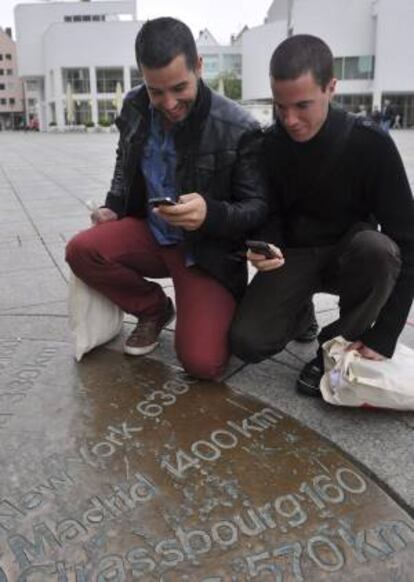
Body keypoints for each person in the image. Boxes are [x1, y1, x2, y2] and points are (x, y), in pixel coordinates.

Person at [66, 17, 267, 379]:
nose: (169, 103)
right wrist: (114, 205)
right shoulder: (135, 105)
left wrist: (211, 214)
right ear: (143, 77)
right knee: (81, 250)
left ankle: (220, 306)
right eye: (156, 90)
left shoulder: (240, 127)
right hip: (150, 232)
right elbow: (125, 159)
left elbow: (257, 209)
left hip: (204, 250)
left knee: (203, 364)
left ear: (199, 67)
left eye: (179, 88)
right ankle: (154, 309)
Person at [231, 34, 414, 396]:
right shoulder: (268, 144)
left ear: (331, 87)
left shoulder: (372, 145)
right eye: (279, 106)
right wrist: (263, 245)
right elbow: (265, 212)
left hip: (352, 254)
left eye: (302, 105)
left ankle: (335, 344)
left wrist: (386, 333)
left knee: (379, 250)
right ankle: (301, 312)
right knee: (246, 342)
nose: (290, 119)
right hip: (294, 256)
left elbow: (409, 241)